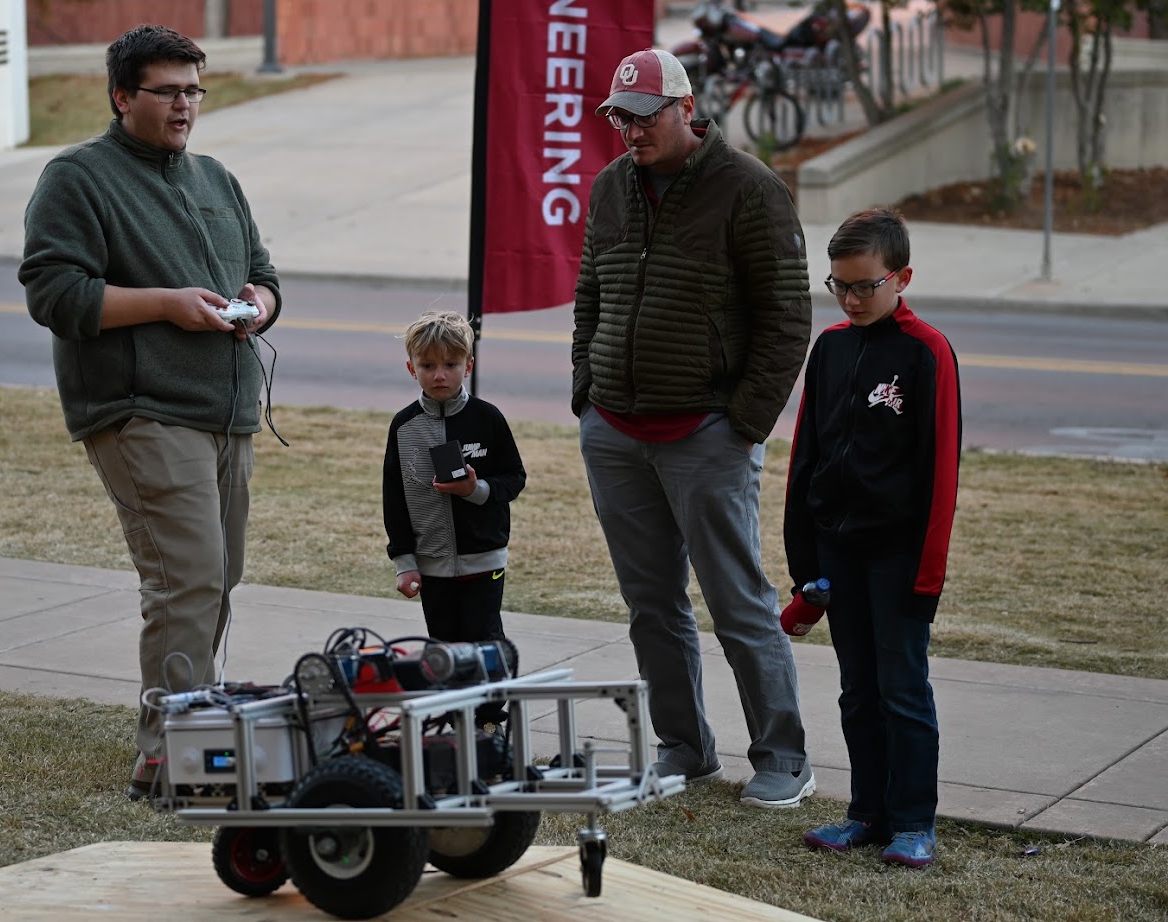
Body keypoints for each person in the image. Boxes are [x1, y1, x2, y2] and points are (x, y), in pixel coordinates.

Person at [19, 24, 282, 801]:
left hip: (225, 410)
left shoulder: (215, 178)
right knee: (186, 579)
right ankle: (167, 756)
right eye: (166, 91)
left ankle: (198, 731)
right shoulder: (78, 177)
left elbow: (263, 272)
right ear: (120, 96)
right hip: (139, 409)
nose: (184, 105)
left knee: (219, 578)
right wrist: (168, 305)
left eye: (193, 90)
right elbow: (55, 294)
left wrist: (259, 303)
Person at [572, 48, 815, 807]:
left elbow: (786, 319)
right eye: (620, 117)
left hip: (706, 432)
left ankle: (783, 756)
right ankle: (684, 746)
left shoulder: (749, 188)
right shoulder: (610, 186)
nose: (631, 131)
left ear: (685, 109)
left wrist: (742, 423)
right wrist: (586, 392)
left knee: (737, 601)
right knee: (651, 604)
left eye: (645, 117)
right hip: (615, 429)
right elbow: (590, 294)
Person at [784, 207, 961, 867]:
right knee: (857, 688)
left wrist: (926, 576)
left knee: (902, 689)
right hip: (838, 550)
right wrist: (804, 561)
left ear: (901, 278)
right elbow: (805, 456)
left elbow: (940, 471)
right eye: (839, 285)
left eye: (866, 285)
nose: (851, 299)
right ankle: (866, 813)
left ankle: (913, 821)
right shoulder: (830, 348)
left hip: (899, 556)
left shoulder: (925, 351)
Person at [383, 311, 525, 721]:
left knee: (484, 640)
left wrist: (475, 491)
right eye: (428, 365)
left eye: (450, 364)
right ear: (412, 368)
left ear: (469, 365)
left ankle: (489, 718)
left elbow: (514, 479)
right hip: (431, 564)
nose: (439, 375)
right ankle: (453, 717)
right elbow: (394, 498)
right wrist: (405, 562)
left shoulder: (487, 418)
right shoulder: (404, 427)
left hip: (483, 559)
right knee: (443, 646)